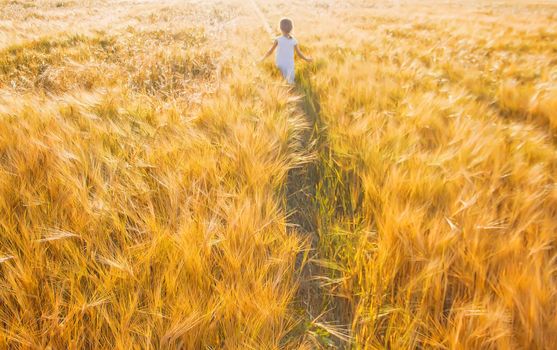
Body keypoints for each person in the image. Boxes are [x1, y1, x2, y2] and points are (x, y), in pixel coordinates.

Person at [260, 18, 312, 84]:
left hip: (279, 63)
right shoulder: (294, 41)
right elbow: (299, 53)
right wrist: (306, 59)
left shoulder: (278, 39)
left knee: (281, 80)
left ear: (280, 28)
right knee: (291, 82)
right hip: (289, 64)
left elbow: (270, 51)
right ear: (291, 28)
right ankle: (292, 89)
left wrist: (262, 59)